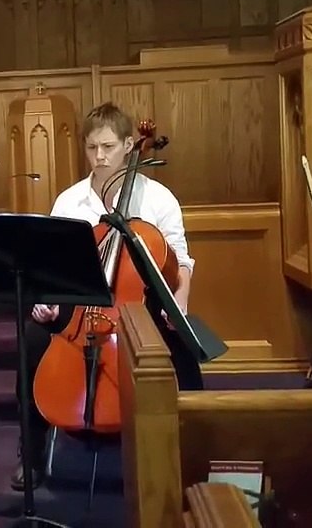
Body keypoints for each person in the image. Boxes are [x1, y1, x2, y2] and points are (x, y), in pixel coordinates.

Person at [13, 102, 201, 491]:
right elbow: (50, 267)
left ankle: (188, 453)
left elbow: (181, 261)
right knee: (30, 338)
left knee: (183, 348)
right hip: (79, 303)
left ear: (131, 145)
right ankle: (30, 455)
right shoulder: (69, 201)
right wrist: (43, 300)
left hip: (139, 304)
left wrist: (180, 301)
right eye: (91, 148)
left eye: (108, 147)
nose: (99, 157)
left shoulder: (158, 199)